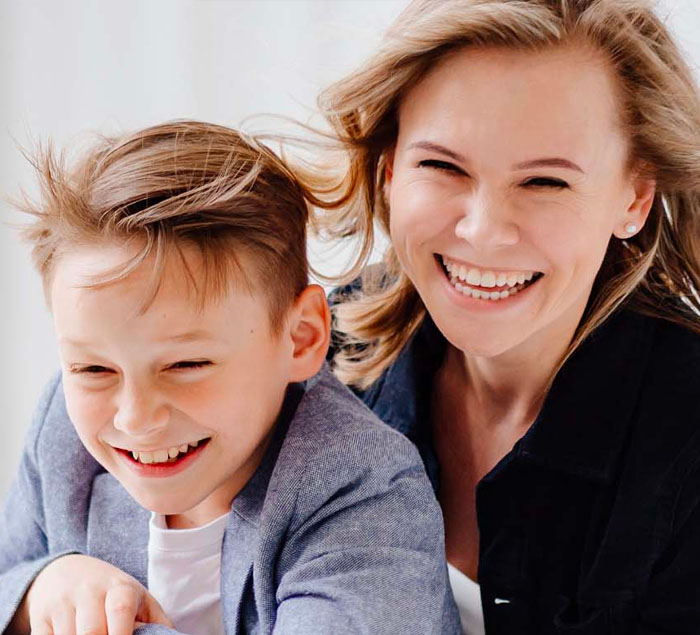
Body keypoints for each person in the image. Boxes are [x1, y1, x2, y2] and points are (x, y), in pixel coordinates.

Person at [315, 1, 700, 633]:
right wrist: (92, 566)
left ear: (634, 197)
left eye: (545, 182)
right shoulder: (319, 352)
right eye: (441, 166)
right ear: (389, 170)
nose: (483, 232)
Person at [0, 120, 457, 635]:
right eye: (92, 368)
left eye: (185, 365)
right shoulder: (62, 432)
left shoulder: (366, 492)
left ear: (301, 339)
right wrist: (41, 589)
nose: (136, 418)